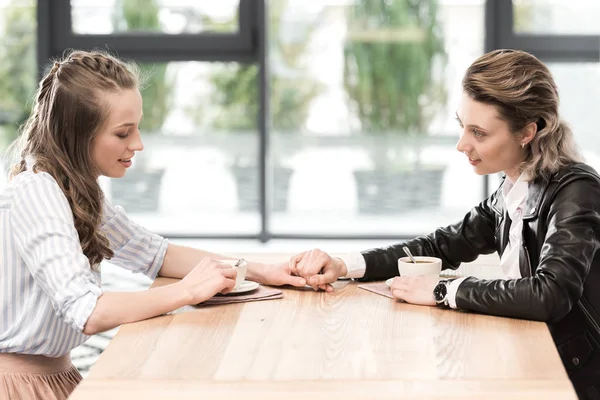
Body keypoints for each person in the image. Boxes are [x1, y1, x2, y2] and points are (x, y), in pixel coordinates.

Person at [289, 49, 600, 399]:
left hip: (575, 379)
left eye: (479, 133)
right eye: (462, 126)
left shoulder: (576, 190)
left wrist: (442, 291)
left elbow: (551, 294)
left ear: (527, 132)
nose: (461, 144)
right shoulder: (514, 190)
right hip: (531, 355)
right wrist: (344, 264)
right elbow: (438, 247)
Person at [0, 50, 307, 400]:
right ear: (76, 134)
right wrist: (187, 291)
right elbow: (87, 312)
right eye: (122, 133)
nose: (138, 144)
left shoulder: (76, 191)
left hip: (57, 376)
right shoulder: (37, 192)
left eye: (137, 128)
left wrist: (264, 272)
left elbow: (155, 254)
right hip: (17, 387)